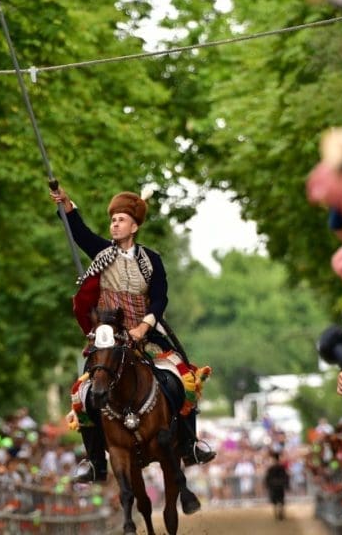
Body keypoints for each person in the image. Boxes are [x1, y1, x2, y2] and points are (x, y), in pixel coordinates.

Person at [49, 186, 215, 483]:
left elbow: (160, 298)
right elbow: (80, 234)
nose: (114, 224)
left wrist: (143, 327)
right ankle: (94, 461)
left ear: (134, 227)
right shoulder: (102, 254)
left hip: (146, 333)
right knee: (83, 391)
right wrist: (67, 206)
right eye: (112, 220)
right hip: (109, 337)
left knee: (183, 377)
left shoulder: (152, 260)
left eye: (121, 220)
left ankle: (190, 444)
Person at [265, 452, 291, 521]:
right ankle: (280, 513)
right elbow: (285, 477)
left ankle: (277, 513)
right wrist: (286, 485)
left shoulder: (271, 468)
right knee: (281, 500)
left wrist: (267, 485)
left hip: (274, 486)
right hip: (280, 486)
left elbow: (268, 478)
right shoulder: (281, 467)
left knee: (275, 501)